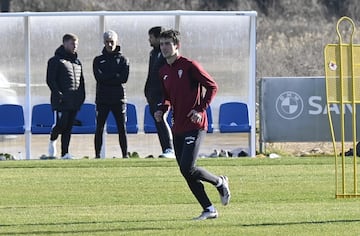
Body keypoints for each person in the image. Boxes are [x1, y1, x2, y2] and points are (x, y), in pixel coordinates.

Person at [155, 29, 231, 220]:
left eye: (167, 44)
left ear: (176, 46)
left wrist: (200, 109)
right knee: (185, 171)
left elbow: (212, 86)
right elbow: (167, 98)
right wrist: (162, 109)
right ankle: (209, 209)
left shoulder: (189, 66)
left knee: (188, 168)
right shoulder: (163, 71)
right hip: (177, 126)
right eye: (161, 44)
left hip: (195, 125)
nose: (164, 48)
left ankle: (219, 182)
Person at [46, 33, 85, 159]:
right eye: (72, 43)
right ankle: (53, 138)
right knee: (61, 124)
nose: (75, 46)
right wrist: (59, 94)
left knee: (68, 127)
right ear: (65, 43)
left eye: (76, 44)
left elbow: (81, 82)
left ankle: (65, 153)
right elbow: (50, 80)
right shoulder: (55, 60)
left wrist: (81, 97)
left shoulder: (77, 62)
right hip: (61, 101)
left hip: (74, 101)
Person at [93, 30, 130, 159]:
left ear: (116, 42)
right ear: (104, 42)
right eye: (107, 42)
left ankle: (125, 155)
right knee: (99, 128)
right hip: (102, 99)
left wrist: (108, 77)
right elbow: (99, 77)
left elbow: (124, 78)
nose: (110, 44)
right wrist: (115, 76)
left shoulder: (123, 59)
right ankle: (97, 155)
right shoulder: (98, 60)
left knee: (121, 128)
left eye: (112, 42)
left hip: (119, 99)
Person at [144, 26, 175, 158]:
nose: (149, 40)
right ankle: (165, 149)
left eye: (151, 37)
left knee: (162, 118)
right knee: (158, 121)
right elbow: (151, 74)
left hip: (161, 94)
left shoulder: (164, 54)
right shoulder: (153, 53)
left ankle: (170, 148)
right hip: (152, 95)